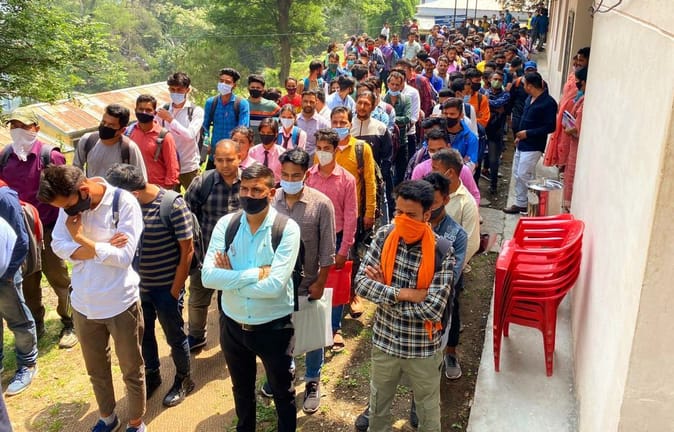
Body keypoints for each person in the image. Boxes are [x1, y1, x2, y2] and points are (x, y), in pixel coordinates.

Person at [40, 165, 146, 432]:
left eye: (69, 206)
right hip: (84, 305)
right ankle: (108, 417)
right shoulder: (69, 206)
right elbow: (57, 245)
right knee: (96, 370)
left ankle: (136, 422)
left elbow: (123, 258)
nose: (68, 213)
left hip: (120, 303)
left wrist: (80, 238)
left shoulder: (124, 203)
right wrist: (104, 247)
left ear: (84, 190)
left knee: (131, 369)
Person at [201, 164, 301, 432]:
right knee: (241, 390)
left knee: (282, 391)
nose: (248, 195)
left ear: (271, 193)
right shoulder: (227, 225)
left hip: (273, 327)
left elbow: (275, 287)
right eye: (244, 189)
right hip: (233, 326)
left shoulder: (286, 229)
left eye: (256, 190)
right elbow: (208, 277)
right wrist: (257, 273)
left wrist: (230, 280)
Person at [355, 180, 454, 432]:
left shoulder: (442, 251)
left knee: (428, 413)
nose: (402, 219)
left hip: (422, 349)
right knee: (378, 408)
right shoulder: (384, 236)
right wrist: (405, 293)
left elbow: (433, 309)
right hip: (385, 342)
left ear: (427, 215)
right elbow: (361, 285)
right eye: (398, 212)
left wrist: (384, 294)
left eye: (410, 215)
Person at [105, 163, 195, 408]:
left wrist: (174, 290)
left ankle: (184, 378)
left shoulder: (172, 205)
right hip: (137, 288)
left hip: (166, 288)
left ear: (133, 193)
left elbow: (187, 250)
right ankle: (153, 374)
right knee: (143, 336)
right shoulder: (124, 208)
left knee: (175, 336)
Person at [260, 148, 336, 414]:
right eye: (285, 175)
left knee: (312, 335)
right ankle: (284, 371)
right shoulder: (271, 201)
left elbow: (327, 249)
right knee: (281, 333)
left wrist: (320, 282)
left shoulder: (321, 204)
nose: (289, 180)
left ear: (306, 175)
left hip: (308, 284)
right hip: (277, 284)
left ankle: (313, 379)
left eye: (296, 175)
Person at [0, 108, 76, 348]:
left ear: (36, 128)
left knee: (58, 277)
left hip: (50, 228)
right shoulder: (5, 157)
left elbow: (66, 192)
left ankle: (70, 322)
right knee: (28, 281)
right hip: (20, 231)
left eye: (24, 126)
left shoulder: (50, 156)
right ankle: (37, 323)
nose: (18, 131)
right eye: (14, 126)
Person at [184, 139, 242, 351]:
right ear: (214, 160)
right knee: (198, 299)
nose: (224, 165)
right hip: (206, 256)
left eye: (230, 160)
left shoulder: (249, 183)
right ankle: (196, 335)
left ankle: (231, 339)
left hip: (238, 259)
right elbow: (186, 216)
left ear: (239, 158)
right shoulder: (202, 183)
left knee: (231, 302)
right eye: (220, 160)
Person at [305, 129, 358, 352]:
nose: (322, 152)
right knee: (310, 279)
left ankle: (334, 327)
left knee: (334, 284)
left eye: (327, 149)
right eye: (319, 148)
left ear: (336, 150)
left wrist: (344, 248)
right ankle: (311, 323)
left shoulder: (347, 180)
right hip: (311, 237)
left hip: (336, 237)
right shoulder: (308, 176)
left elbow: (351, 216)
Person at [330, 107, 377, 317]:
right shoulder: (326, 148)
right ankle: (332, 292)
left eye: (343, 122)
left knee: (352, 256)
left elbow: (370, 181)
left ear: (351, 124)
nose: (339, 126)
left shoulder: (361, 148)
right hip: (330, 215)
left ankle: (352, 294)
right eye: (335, 122)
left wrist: (370, 212)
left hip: (353, 214)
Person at [0, 182, 38, 396]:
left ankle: (28, 364)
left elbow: (21, 241)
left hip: (5, 274)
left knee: (18, 320)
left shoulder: (4, 197)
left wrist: (8, 274)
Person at [504, 72, 557, 214]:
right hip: (522, 142)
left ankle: (532, 200)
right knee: (518, 173)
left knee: (524, 173)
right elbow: (525, 118)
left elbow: (550, 127)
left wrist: (528, 133)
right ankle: (521, 202)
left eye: (525, 84)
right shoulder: (529, 99)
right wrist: (519, 136)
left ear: (530, 86)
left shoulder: (548, 103)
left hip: (534, 144)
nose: (523, 87)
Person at [73, 104, 148, 181]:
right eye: (103, 122)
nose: (105, 126)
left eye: (111, 125)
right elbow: (76, 169)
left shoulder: (129, 148)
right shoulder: (87, 140)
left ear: (122, 130)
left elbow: (141, 179)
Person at [157, 72, 204, 190]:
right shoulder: (162, 110)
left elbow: (190, 135)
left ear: (188, 90)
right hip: (168, 166)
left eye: (179, 90)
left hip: (189, 167)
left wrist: (170, 120)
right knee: (169, 199)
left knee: (195, 198)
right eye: (172, 90)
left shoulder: (195, 111)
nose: (176, 93)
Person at [351, 91, 394, 219]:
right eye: (359, 103)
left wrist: (380, 177)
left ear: (373, 106)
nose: (362, 107)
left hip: (374, 181)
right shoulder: (348, 126)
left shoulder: (380, 128)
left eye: (366, 104)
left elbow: (387, 157)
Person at [411, 129, 480, 205]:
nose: (436, 153)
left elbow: (474, 195)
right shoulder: (420, 170)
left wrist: (470, 210)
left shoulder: (462, 170)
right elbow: (414, 197)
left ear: (448, 147)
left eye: (440, 149)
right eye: (432, 150)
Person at [128, 94, 180, 190]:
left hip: (157, 189)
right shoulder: (129, 132)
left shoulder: (164, 136)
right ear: (135, 110)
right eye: (141, 109)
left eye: (148, 110)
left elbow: (172, 167)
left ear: (154, 113)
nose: (144, 113)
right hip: (134, 188)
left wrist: (166, 191)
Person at [202, 67, 250, 170]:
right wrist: (206, 143)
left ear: (234, 85)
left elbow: (242, 130)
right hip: (214, 154)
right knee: (210, 178)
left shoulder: (241, 104)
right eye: (221, 81)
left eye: (227, 82)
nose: (223, 84)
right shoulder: (211, 102)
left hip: (232, 156)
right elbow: (205, 126)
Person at [559, 67, 587, 211]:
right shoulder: (582, 98)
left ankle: (569, 207)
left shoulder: (585, 101)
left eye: (578, 82)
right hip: (573, 144)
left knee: (572, 174)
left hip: (577, 145)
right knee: (569, 173)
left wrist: (569, 129)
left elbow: (578, 128)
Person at [482, 71, 511, 195]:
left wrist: (487, 102)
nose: (497, 82)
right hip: (483, 129)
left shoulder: (505, 95)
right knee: (478, 158)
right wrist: (495, 107)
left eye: (500, 80)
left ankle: (493, 185)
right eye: (495, 79)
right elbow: (494, 106)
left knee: (494, 160)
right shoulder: (483, 93)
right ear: (489, 79)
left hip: (496, 131)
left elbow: (500, 104)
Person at [382, 72, 413, 184]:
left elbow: (407, 118)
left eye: (397, 85)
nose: (394, 87)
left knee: (401, 171)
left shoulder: (406, 99)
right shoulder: (382, 100)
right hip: (386, 141)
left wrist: (390, 119)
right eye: (392, 84)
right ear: (388, 84)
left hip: (401, 140)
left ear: (401, 85)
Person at [249, 118, 286, 183]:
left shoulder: (282, 153)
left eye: (269, 133)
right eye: (262, 132)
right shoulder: (252, 152)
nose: (265, 135)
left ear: (276, 134)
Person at [247, 74, 281, 143]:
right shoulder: (242, 105)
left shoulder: (271, 106)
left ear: (263, 90)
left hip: (266, 144)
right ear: (248, 88)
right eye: (252, 87)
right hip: (247, 144)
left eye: (258, 88)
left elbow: (281, 122)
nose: (255, 89)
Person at [296, 90, 331, 156]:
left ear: (316, 102)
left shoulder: (323, 124)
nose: (308, 104)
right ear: (301, 102)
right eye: (305, 101)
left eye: (311, 102)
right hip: (295, 159)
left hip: (314, 159)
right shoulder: (294, 120)